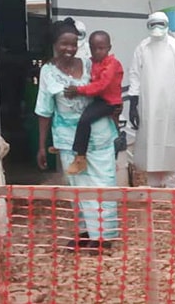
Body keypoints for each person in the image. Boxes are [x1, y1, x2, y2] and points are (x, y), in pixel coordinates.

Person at [35, 17, 119, 251]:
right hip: (67, 140)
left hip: (100, 136)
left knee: (103, 185)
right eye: (64, 44)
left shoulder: (90, 63)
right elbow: (44, 111)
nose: (69, 49)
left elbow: (108, 89)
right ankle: (85, 233)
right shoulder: (48, 72)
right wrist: (42, 146)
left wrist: (117, 113)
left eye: (73, 44)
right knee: (78, 187)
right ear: (54, 43)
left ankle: (103, 237)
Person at [128, 11, 175, 188]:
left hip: (172, 106)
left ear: (167, 25)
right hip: (148, 106)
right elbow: (135, 77)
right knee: (151, 144)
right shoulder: (142, 48)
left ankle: (172, 187)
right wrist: (133, 106)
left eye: (160, 24)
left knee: (173, 143)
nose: (157, 28)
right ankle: (154, 186)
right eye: (153, 24)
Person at [64, 30, 124, 175]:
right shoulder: (92, 62)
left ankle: (80, 156)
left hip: (109, 102)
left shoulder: (112, 64)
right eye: (93, 48)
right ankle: (63, 145)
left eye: (101, 48)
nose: (97, 51)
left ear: (109, 48)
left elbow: (101, 85)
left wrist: (78, 90)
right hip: (100, 99)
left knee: (85, 119)